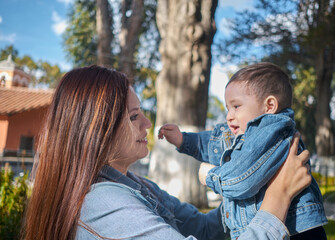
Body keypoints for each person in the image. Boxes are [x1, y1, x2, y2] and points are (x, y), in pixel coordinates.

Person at [24, 65, 312, 240]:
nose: (148, 124)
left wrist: (258, 190)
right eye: (134, 116)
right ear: (98, 130)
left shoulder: (135, 185)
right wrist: (277, 199)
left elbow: (204, 227)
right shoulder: (103, 203)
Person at [159, 62, 328, 239]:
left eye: (236, 106)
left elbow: (242, 180)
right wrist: (184, 140)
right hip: (275, 226)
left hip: (295, 230)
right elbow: (214, 145)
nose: (229, 115)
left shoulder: (270, 132)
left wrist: (210, 176)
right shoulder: (244, 135)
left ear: (269, 106)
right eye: (227, 108)